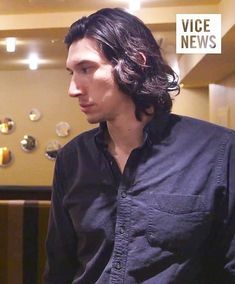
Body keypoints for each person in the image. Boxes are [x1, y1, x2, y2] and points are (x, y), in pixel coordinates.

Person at [44, 7, 235, 284]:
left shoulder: (219, 151)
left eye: (86, 69)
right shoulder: (72, 158)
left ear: (136, 62)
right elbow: (59, 265)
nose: (73, 89)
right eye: (72, 73)